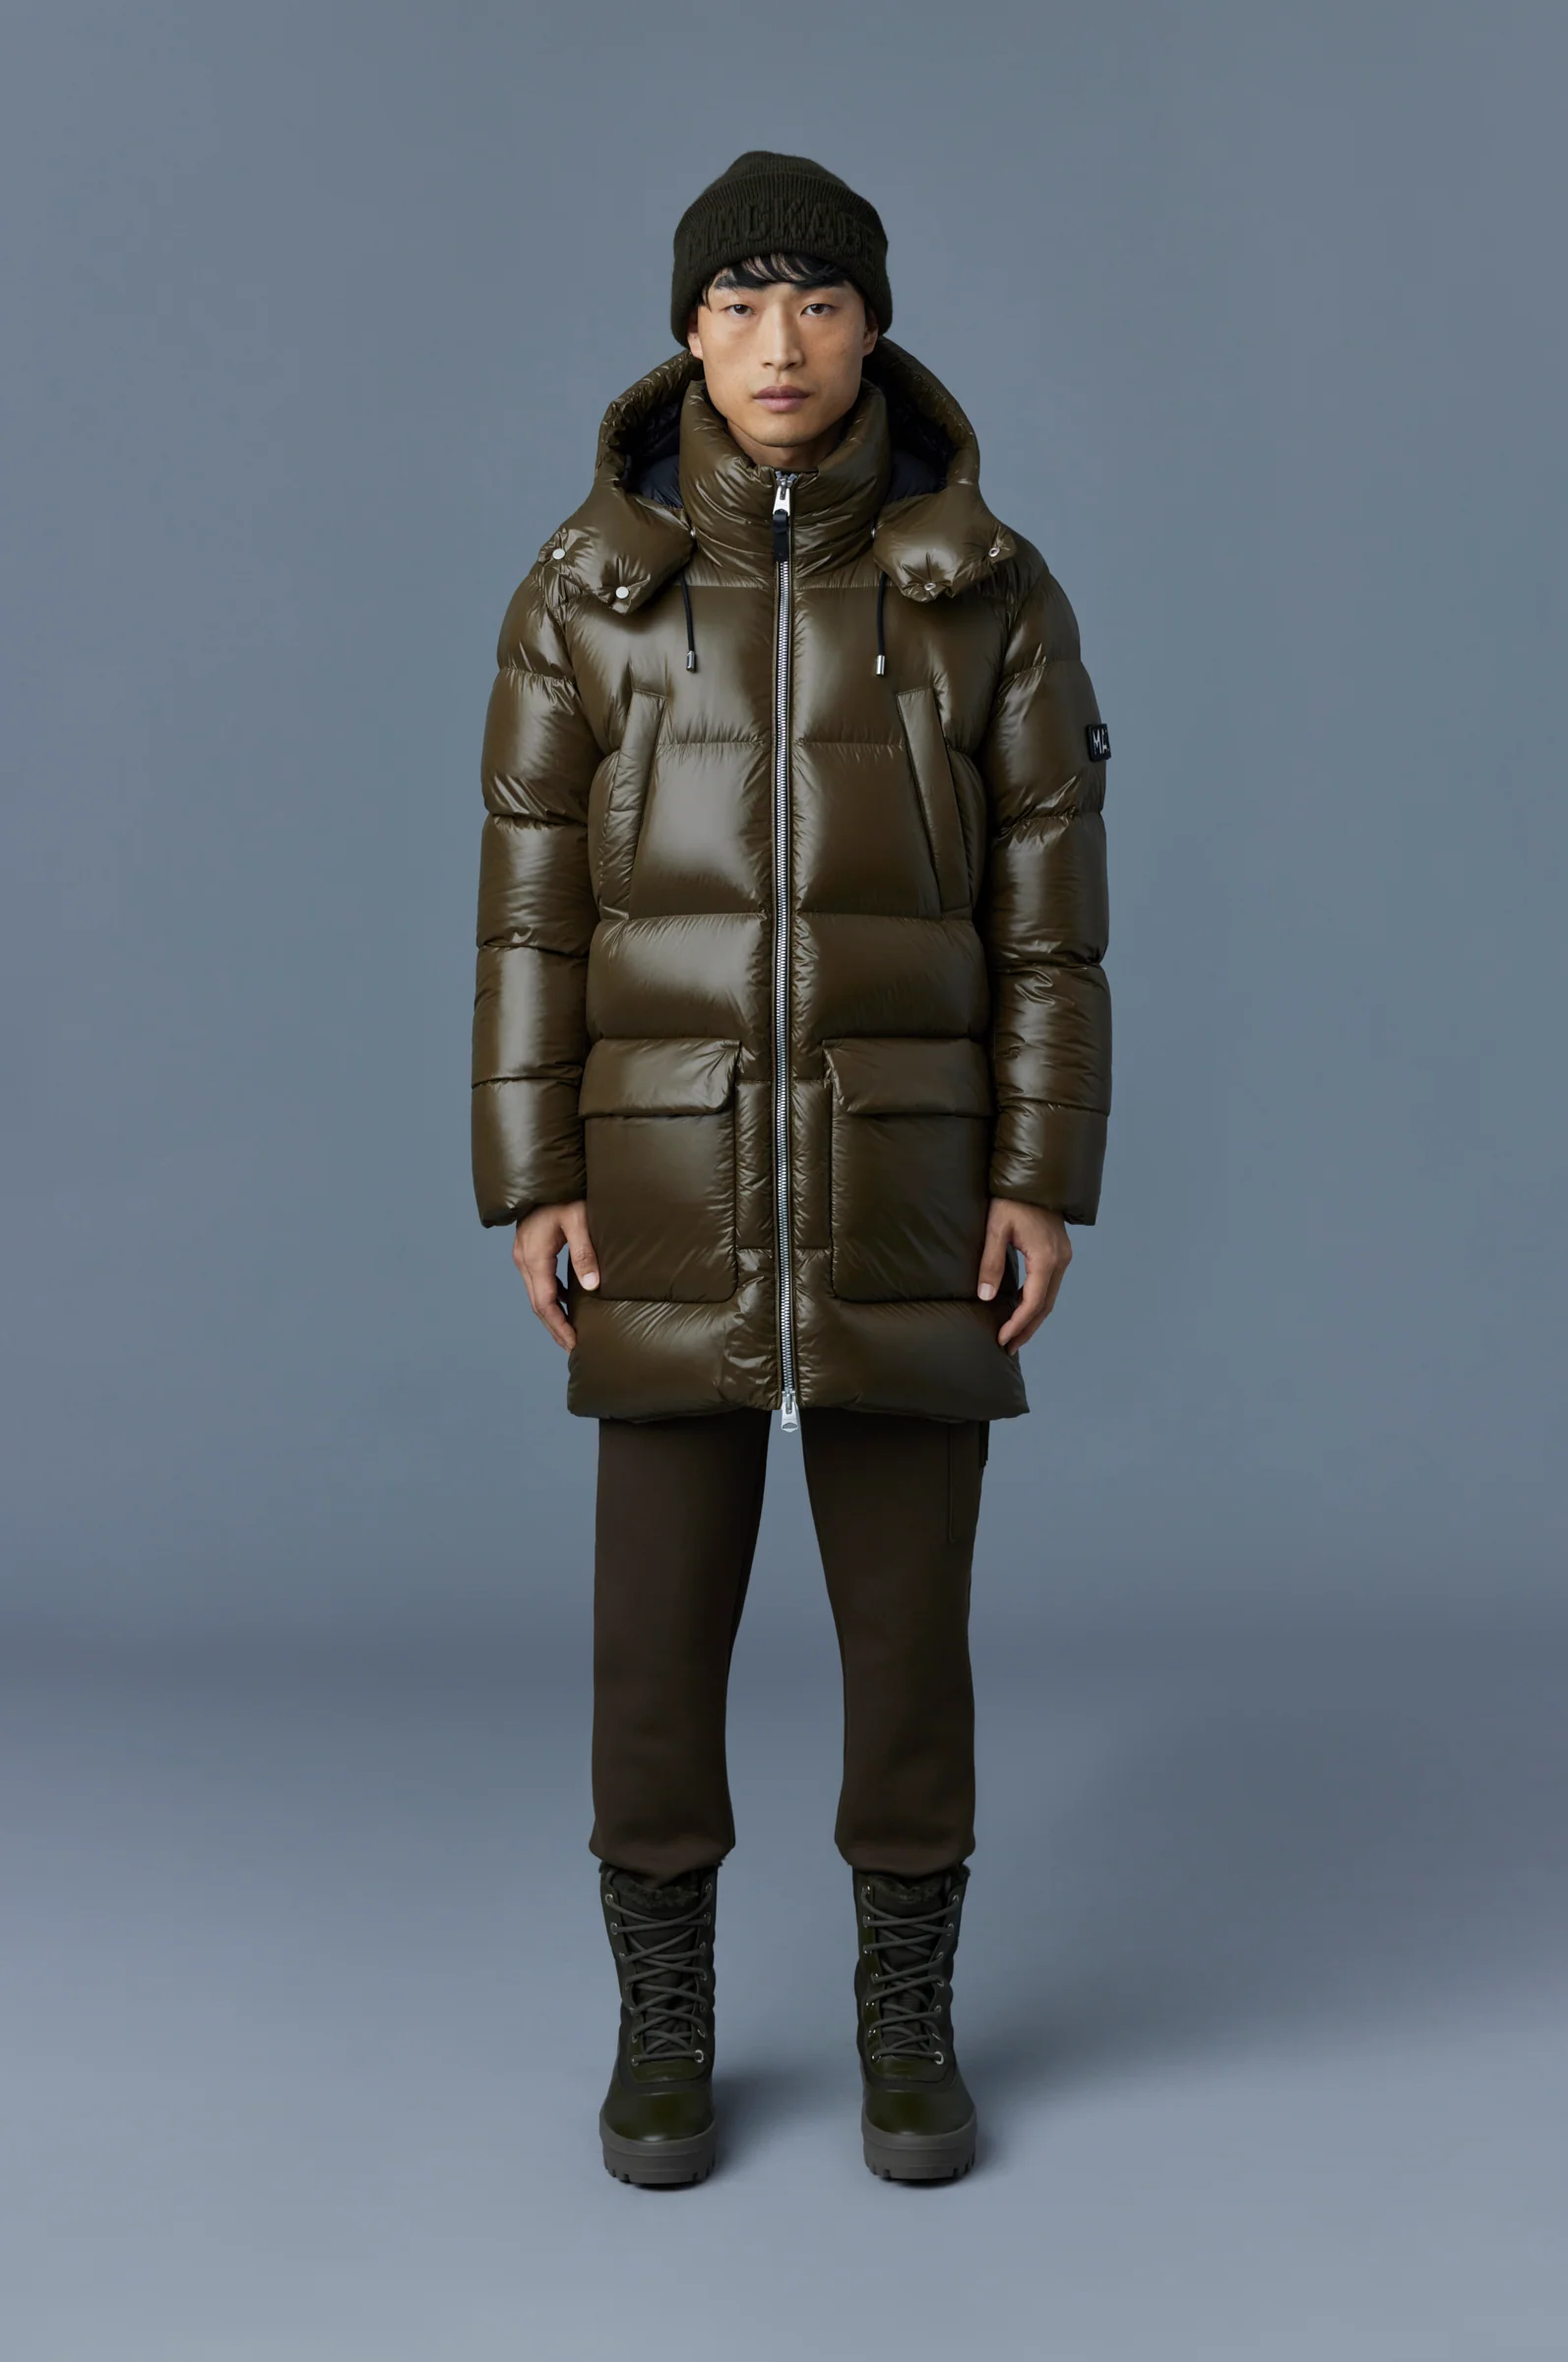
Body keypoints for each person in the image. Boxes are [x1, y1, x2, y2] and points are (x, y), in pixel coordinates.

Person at [469, 151, 1111, 2186]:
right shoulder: (584, 590)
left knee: (909, 1642)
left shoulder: (985, 589)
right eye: (738, 302)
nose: (777, 342)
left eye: (817, 302)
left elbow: (1049, 921)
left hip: (909, 1184)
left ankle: (905, 2019)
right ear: (686, 328)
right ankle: (661, 2023)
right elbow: (527, 914)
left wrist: (1040, 1173)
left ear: (871, 329)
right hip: (659, 1178)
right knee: (651, 1649)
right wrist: (533, 1172)